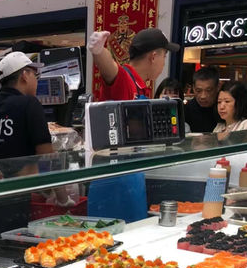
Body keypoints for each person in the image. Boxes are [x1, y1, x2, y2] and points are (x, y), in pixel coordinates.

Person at [87, 27, 180, 222]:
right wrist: (99, 51)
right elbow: (110, 70)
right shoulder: (126, 79)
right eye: (164, 56)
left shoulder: (142, 87)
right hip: (113, 182)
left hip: (131, 178)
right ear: (153, 56)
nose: (164, 63)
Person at [0, 51, 54, 242]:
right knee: (10, 256)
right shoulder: (30, 104)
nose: (36, 80)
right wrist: (59, 194)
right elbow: (47, 157)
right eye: (34, 75)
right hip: (13, 200)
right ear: (24, 75)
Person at [184, 66, 220, 133]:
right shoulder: (186, 110)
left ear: (218, 87)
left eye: (208, 90)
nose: (203, 96)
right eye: (198, 91)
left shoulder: (223, 109)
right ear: (193, 88)